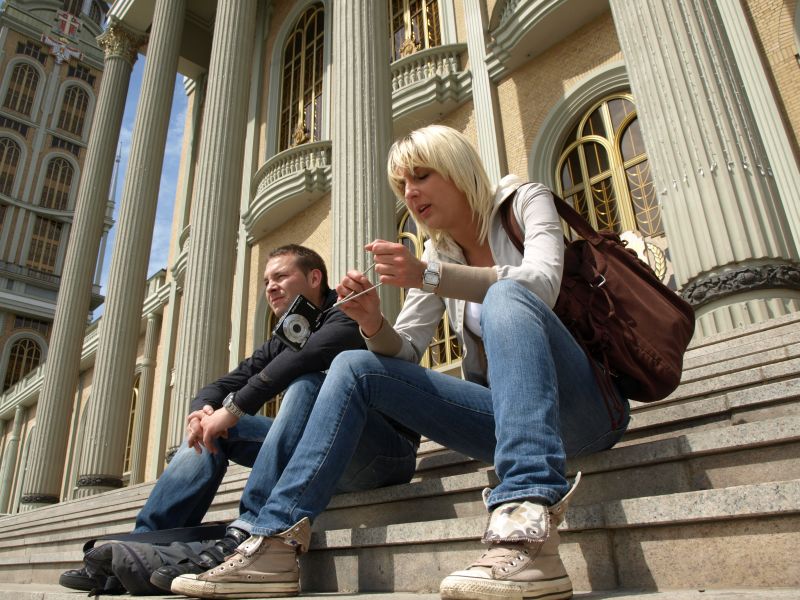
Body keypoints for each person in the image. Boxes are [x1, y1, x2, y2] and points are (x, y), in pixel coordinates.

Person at [171, 125, 629, 600]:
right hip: (500, 420)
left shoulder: (524, 200)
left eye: (421, 176)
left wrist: (429, 276)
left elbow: (541, 283)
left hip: (587, 409)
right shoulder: (438, 250)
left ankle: (528, 527)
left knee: (506, 296)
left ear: (457, 169)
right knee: (354, 364)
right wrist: (372, 323)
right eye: (402, 185)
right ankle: (275, 541)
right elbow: (406, 349)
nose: (409, 193)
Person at [60, 244, 415, 593]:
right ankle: (141, 548)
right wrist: (203, 410)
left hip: (382, 456)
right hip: (317, 459)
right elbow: (234, 378)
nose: (270, 287)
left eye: (280, 277)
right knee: (210, 432)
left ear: (314, 278)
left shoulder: (347, 310)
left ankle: (247, 530)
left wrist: (233, 410)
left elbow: (303, 359)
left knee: (307, 384)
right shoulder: (292, 329)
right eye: (266, 281)